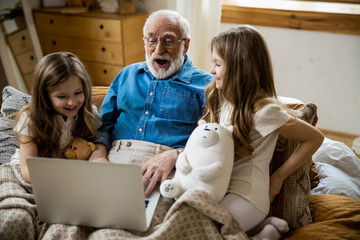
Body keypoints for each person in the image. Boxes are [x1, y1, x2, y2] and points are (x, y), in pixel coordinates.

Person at [202, 25, 324, 240]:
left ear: (239, 68)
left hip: (248, 198)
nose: (211, 70)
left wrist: (278, 177)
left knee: (204, 230)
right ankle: (261, 230)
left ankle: (261, 232)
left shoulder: (264, 111)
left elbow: (315, 138)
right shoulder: (225, 99)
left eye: (218, 64)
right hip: (223, 190)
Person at [89, 10, 213, 196]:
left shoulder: (206, 85)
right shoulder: (126, 75)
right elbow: (103, 126)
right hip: (115, 159)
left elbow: (215, 140)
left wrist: (178, 154)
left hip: (169, 168)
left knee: (142, 221)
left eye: (168, 41)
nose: (158, 50)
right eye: (152, 40)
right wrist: (98, 155)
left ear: (185, 45)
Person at [11, 52, 102, 183]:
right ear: (44, 96)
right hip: (30, 175)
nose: (72, 102)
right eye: (62, 97)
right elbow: (26, 170)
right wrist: (55, 181)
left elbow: (101, 140)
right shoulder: (30, 120)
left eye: (78, 93)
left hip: (66, 175)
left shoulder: (89, 115)